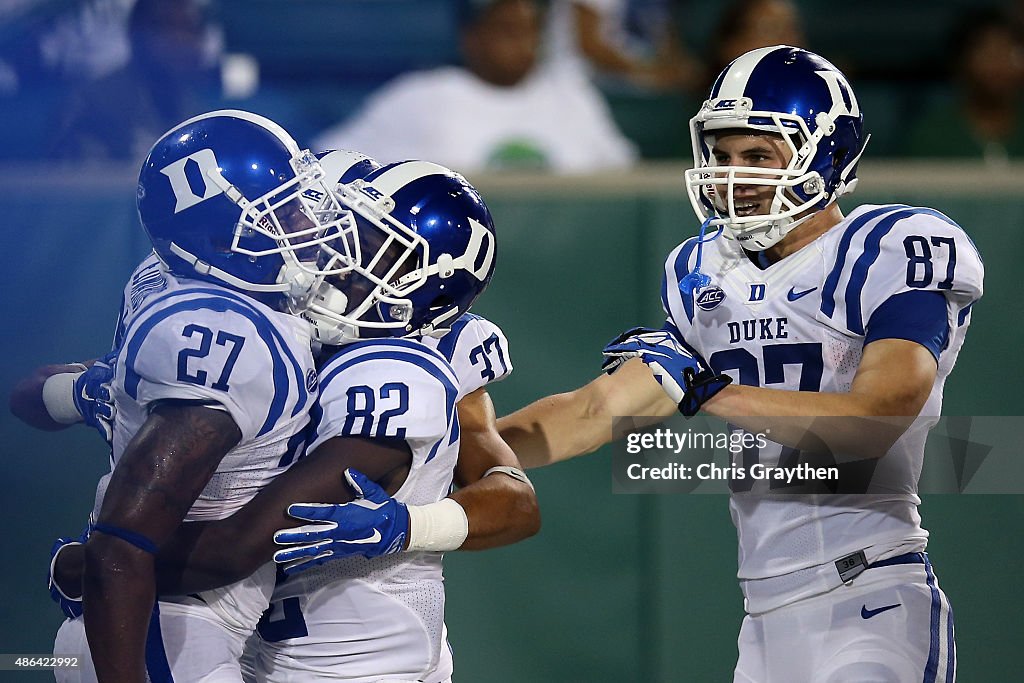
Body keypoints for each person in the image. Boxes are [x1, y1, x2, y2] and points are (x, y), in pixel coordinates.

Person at [496, 45, 983, 682]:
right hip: (763, 616)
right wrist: (455, 456)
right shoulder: (703, 268)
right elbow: (595, 411)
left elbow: (874, 421)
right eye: (722, 156)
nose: (734, 176)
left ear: (827, 155)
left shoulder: (888, 247)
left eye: (758, 156)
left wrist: (712, 392)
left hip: (871, 593)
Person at [22, 150, 539, 681]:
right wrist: (89, 391)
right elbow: (33, 392)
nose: (334, 258)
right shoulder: (265, 315)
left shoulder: (409, 366)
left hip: (350, 647)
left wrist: (411, 525)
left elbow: (516, 502)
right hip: (242, 636)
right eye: (336, 229)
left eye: (367, 247)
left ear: (427, 284)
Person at [32, 109, 357, 683]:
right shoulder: (224, 336)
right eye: (284, 209)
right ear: (222, 235)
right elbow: (121, 545)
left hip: (181, 624)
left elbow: (28, 395)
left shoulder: (194, 290)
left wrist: (85, 392)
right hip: (164, 629)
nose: (309, 223)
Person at [312, 0, 637, 174]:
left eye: (530, 30)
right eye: (507, 30)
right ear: (472, 37)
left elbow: (623, 182)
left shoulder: (572, 98)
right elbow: (330, 163)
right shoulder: (421, 97)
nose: (523, 43)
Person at [903, 8, 1024, 164]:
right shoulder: (932, 135)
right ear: (960, 62)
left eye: (1009, 52)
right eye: (987, 53)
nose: (999, 65)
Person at [543, 0, 702, 93]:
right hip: (574, 81)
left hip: (622, 79)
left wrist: (677, 71)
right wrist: (648, 74)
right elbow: (590, 47)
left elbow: (665, 41)